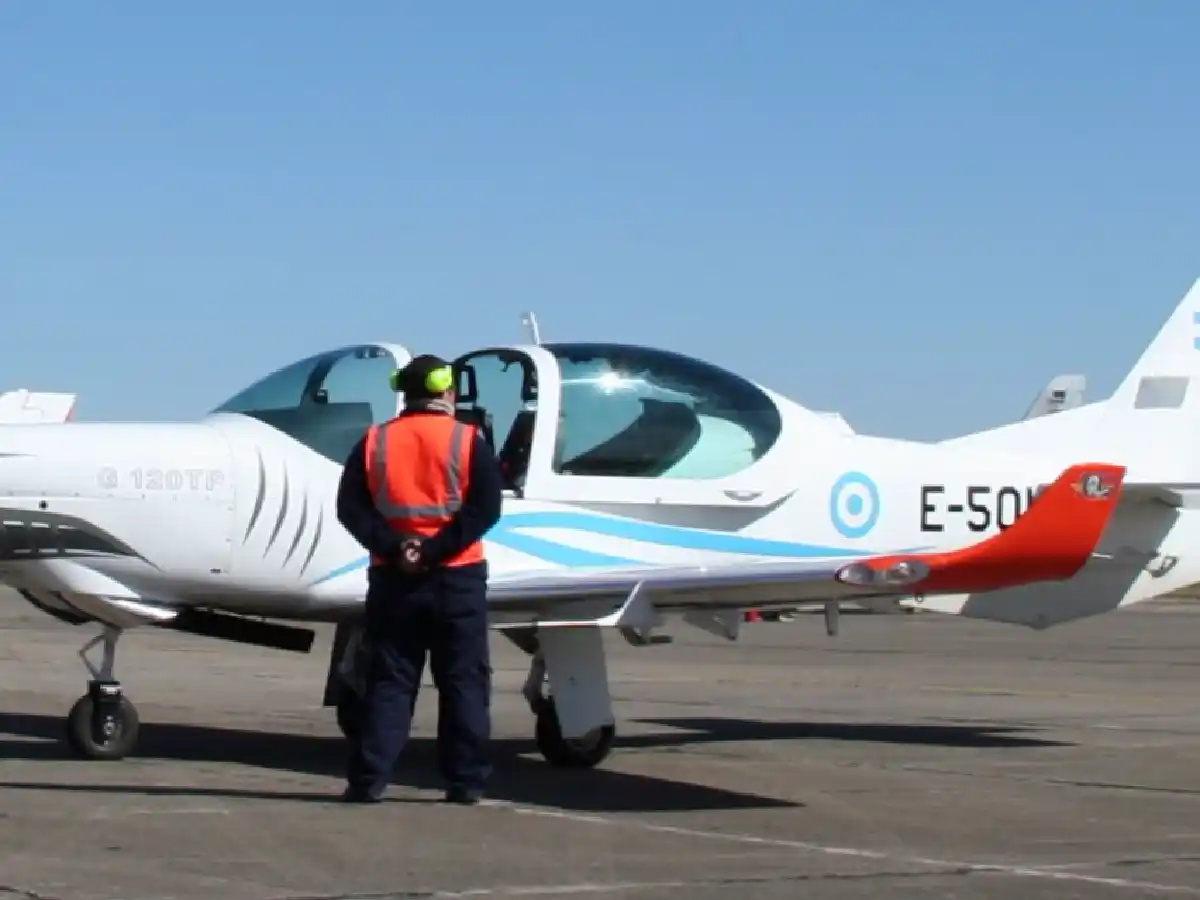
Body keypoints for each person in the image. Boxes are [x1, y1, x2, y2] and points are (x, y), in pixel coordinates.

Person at [335, 353, 504, 804]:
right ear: (446, 391)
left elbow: (350, 510)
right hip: (458, 579)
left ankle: (368, 781)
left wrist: (397, 548)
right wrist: (434, 550)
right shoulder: (468, 441)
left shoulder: (374, 442)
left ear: (403, 394)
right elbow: (485, 509)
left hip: (393, 580)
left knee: (390, 682)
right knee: (464, 682)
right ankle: (465, 783)